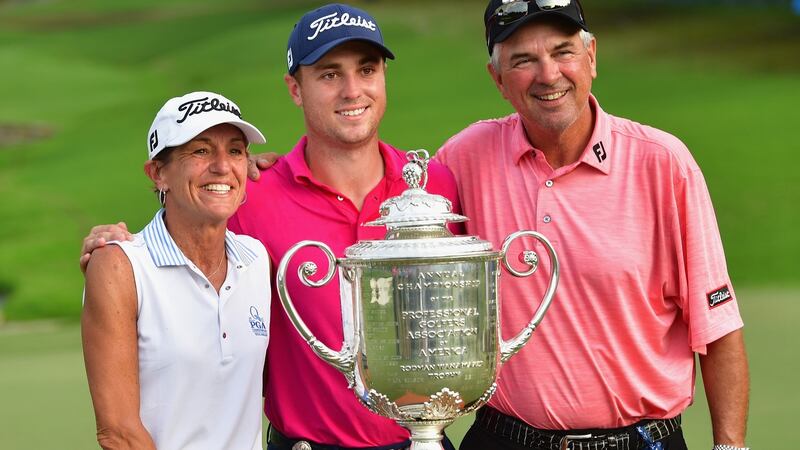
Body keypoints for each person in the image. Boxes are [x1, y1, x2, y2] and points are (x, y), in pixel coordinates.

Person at [79, 4, 460, 450]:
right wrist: (112, 250)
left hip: (426, 442)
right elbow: (183, 227)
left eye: (367, 69)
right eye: (329, 74)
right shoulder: (252, 200)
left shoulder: (435, 184)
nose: (352, 90)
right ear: (295, 89)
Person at [434, 1, 750, 449]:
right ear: (498, 80)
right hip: (504, 436)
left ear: (592, 58)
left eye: (563, 52)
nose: (548, 75)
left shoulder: (663, 164)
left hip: (639, 440)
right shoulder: (464, 158)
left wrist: (730, 446)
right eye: (523, 60)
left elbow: (717, 328)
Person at [81, 91, 271, 449]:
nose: (222, 166)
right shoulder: (120, 266)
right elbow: (118, 433)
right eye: (200, 151)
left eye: (235, 150)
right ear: (158, 173)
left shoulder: (256, 259)